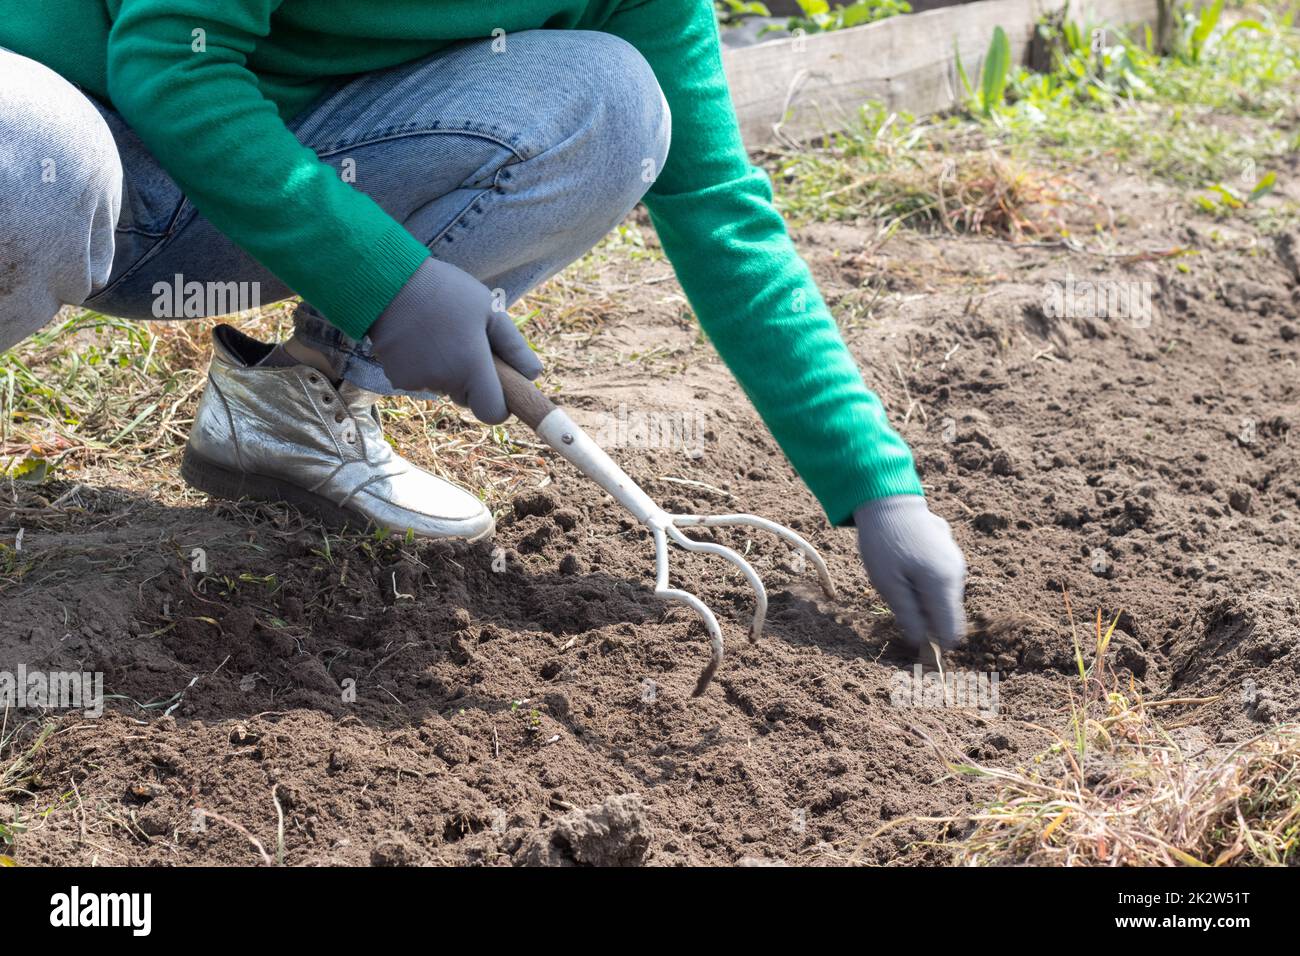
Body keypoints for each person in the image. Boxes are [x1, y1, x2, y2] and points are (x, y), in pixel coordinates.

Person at [0, 1, 966, 652]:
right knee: (30, 161)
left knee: (615, 101)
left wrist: (876, 484)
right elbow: (170, 61)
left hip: (258, 186)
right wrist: (389, 282)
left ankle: (293, 408)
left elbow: (713, 198)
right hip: (73, 138)